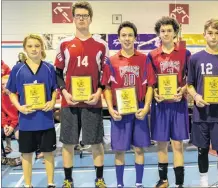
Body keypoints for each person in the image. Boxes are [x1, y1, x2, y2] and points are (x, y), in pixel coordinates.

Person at [54, 1, 109, 187]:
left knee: (96, 142)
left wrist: (99, 92)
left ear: (90, 19)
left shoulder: (101, 45)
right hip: (69, 102)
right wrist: (64, 93)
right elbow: (58, 72)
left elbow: (105, 73)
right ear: (73, 18)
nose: (82, 19)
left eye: (85, 16)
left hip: (92, 102)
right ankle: (68, 180)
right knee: (68, 143)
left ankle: (99, 179)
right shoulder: (64, 43)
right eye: (78, 15)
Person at [101, 21, 155, 188]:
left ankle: (138, 183)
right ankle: (120, 184)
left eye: (130, 35)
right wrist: (110, 108)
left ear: (135, 38)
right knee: (119, 150)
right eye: (123, 35)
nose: (127, 38)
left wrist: (146, 107)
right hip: (120, 110)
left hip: (138, 108)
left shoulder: (144, 59)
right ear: (118, 38)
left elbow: (150, 86)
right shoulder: (111, 61)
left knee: (139, 149)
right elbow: (107, 87)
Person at [187, 19, 218, 187]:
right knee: (202, 151)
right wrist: (196, 96)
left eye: (217, 33)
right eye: (210, 33)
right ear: (204, 34)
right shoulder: (195, 58)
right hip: (201, 115)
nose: (213, 36)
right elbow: (190, 84)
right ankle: (204, 182)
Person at [6, 34, 57, 188]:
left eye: (37, 45)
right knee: (26, 154)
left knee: (48, 153)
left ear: (42, 47)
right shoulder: (17, 68)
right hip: (27, 121)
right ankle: (28, 185)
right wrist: (19, 107)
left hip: (46, 119)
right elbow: (11, 92)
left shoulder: (49, 68)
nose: (34, 49)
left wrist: (53, 101)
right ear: (25, 48)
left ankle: (50, 183)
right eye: (30, 46)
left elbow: (55, 89)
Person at [148, 16, 191, 188]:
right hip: (160, 105)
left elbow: (191, 79)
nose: (166, 34)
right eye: (163, 31)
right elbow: (151, 81)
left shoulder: (185, 53)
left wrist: (184, 89)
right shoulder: (152, 55)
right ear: (159, 34)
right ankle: (163, 180)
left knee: (178, 145)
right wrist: (156, 92)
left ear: (175, 33)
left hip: (178, 104)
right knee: (161, 144)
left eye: (169, 30)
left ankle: (179, 183)